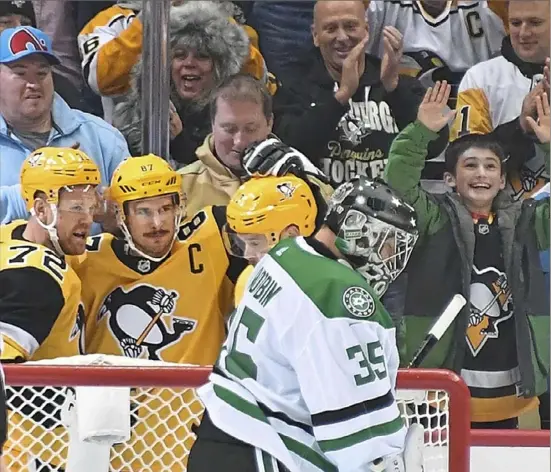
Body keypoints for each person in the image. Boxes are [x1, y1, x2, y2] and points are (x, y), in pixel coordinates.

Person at [188, 176, 422, 471]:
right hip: (261, 450)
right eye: (389, 245)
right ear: (358, 231)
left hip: (222, 435)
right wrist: (387, 459)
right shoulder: (339, 293)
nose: (391, 259)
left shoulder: (285, 255)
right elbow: (358, 437)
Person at [384, 81, 550, 428]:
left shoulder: (527, 222)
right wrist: (420, 134)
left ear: (503, 180)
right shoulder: (433, 219)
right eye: (470, 166)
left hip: (512, 391)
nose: (481, 174)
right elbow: (398, 183)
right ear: (449, 179)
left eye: (490, 167)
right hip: (441, 390)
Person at [272, 0, 448, 188]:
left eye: (350, 26)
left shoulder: (395, 82)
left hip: (395, 211)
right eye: (330, 28)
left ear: (367, 29)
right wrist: (341, 97)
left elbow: (433, 146)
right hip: (324, 210)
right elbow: (289, 148)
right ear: (315, 35)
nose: (342, 37)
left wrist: (395, 90)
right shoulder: (296, 87)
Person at [0, 147, 100, 470]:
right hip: (30, 450)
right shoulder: (38, 278)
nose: (88, 218)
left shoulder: (12, 233)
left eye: (91, 205)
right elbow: (4, 370)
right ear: (41, 209)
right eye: (75, 208)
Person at [0, 25, 128, 224]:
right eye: (21, 73)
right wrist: (41, 189)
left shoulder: (103, 137)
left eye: (42, 73)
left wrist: (106, 209)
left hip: (90, 254)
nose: (33, 83)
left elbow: (135, 211)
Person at [179, 73, 333, 216]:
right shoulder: (180, 187)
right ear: (212, 124)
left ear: (269, 123)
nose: (239, 141)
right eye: (229, 129)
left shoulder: (307, 184)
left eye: (250, 129)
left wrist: (306, 187)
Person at [451, 0, 550, 200]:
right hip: (499, 222)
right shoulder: (480, 79)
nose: (523, 33)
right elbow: (463, 164)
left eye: (534, 22)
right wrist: (520, 126)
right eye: (515, 23)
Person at [225, 174, 319, 304]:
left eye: (254, 243)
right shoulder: (248, 280)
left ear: (291, 235)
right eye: (242, 242)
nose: (247, 254)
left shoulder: (328, 286)